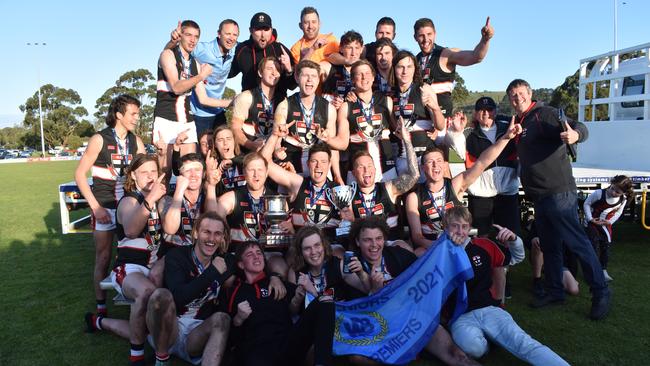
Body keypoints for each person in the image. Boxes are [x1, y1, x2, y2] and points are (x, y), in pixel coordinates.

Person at [507, 78, 610, 320]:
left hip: (559, 193)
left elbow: (579, 127)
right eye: (512, 95)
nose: (517, 97)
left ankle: (601, 292)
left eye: (521, 93)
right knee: (550, 246)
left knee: (577, 243)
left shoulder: (544, 114)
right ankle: (555, 291)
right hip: (540, 196)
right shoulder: (520, 122)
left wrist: (575, 135)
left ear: (530, 94)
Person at [345, 216, 479, 366]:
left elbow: (427, 269)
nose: (374, 245)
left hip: (413, 320)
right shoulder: (352, 266)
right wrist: (374, 289)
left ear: (384, 239)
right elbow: (359, 313)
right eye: (367, 240)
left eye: (378, 238)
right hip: (380, 328)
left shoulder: (398, 254)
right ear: (357, 241)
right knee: (358, 359)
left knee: (457, 356)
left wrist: (450, 243)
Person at [444, 206, 569, 365]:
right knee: (474, 349)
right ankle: (490, 340)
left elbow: (517, 257)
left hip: (489, 309)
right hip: (460, 316)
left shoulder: (483, 245)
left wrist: (514, 240)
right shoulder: (438, 252)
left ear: (470, 227)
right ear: (445, 227)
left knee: (523, 343)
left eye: (464, 226)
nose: (460, 231)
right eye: (454, 226)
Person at [405, 117, 520, 255]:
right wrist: (441, 247)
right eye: (430, 162)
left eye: (439, 161)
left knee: (489, 258)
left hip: (457, 244)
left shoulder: (455, 184)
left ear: (445, 165)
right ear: (423, 168)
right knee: (418, 253)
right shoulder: (414, 197)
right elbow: (417, 237)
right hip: (432, 248)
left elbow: (482, 162)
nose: (435, 165)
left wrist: (506, 138)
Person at [75, 94, 145, 317]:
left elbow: (145, 172)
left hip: (128, 207)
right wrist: (95, 207)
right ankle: (101, 306)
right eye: (133, 114)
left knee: (131, 254)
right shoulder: (99, 139)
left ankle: (133, 299)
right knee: (103, 257)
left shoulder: (136, 141)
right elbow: (79, 174)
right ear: (118, 115)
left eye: (138, 113)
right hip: (104, 206)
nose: (137, 118)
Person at [218, 241, 335, 366]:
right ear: (241, 264)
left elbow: (311, 314)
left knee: (325, 301)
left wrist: (301, 295)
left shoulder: (278, 283)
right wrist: (238, 319)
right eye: (249, 254)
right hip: (257, 351)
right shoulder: (234, 292)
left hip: (288, 346)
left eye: (259, 253)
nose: (256, 256)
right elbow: (229, 340)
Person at [101, 154, 167, 366]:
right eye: (144, 172)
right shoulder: (129, 200)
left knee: (150, 327)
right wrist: (150, 200)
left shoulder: (161, 199)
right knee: (146, 293)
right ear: (133, 176)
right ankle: (136, 357)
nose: (150, 177)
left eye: (154, 172)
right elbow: (130, 229)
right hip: (130, 269)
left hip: (156, 267)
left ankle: (98, 322)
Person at [145, 212, 232, 365]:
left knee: (222, 319)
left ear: (222, 237)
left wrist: (274, 277)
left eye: (217, 234)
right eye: (207, 232)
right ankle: (161, 358)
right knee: (160, 296)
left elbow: (252, 260)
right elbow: (179, 296)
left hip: (197, 334)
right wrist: (211, 273)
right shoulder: (177, 256)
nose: (212, 239)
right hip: (171, 329)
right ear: (196, 233)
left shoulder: (225, 261)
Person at [155, 20, 231, 166]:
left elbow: (204, 99)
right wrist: (201, 76)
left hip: (186, 121)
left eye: (196, 36)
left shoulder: (195, 63)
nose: (192, 40)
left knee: (191, 167)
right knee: (166, 172)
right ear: (180, 35)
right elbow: (176, 87)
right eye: (188, 35)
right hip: (166, 118)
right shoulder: (167, 55)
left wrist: (231, 102)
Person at [445, 97, 521, 236]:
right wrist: (456, 131)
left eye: (489, 110)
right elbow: (457, 148)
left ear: (495, 111)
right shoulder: (468, 134)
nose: (485, 113)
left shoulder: (508, 129)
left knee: (509, 234)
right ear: (475, 113)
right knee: (481, 235)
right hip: (480, 194)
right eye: (481, 110)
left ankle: (509, 258)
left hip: (507, 192)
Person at [342, 118, 419, 241]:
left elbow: (414, 175)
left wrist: (406, 140)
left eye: (369, 166)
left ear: (375, 169)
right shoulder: (347, 196)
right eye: (361, 167)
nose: (366, 170)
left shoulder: (388, 188)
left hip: (391, 245)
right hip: (365, 248)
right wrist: (348, 222)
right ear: (353, 173)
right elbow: (344, 235)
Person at [260, 131, 341, 243]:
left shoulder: (339, 190)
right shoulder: (298, 183)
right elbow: (263, 163)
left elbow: (348, 223)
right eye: (314, 161)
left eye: (323, 161)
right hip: (300, 248)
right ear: (308, 164)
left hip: (330, 247)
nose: (319, 166)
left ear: (329, 164)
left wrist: (349, 218)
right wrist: (274, 135)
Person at [330, 59, 398, 183]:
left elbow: (398, 131)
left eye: (367, 73)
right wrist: (326, 139)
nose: (363, 77)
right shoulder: (346, 106)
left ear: (373, 77)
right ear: (352, 79)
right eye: (359, 74)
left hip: (386, 168)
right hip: (358, 171)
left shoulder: (386, 101)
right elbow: (342, 141)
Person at [166, 19, 240, 133]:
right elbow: (169, 54)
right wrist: (173, 41)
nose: (231, 38)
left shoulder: (235, 49)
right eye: (228, 34)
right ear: (219, 34)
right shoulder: (202, 49)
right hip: (198, 113)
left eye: (235, 35)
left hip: (219, 112)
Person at [413, 17, 494, 117]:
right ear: (415, 37)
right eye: (421, 35)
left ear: (435, 34)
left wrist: (485, 40)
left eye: (429, 34)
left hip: (442, 122)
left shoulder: (446, 54)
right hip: (421, 120)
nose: (426, 39)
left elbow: (475, 57)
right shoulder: (413, 61)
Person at [273, 60, 337, 177]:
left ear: (318, 80)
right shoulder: (284, 105)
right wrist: (277, 151)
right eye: (305, 75)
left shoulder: (329, 108)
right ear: (297, 77)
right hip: (290, 166)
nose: (309, 80)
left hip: (319, 168)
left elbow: (332, 146)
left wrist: (336, 175)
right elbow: (276, 139)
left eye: (313, 76)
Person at [389, 50, 446, 174]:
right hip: (402, 158)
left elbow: (440, 126)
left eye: (409, 67)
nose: (405, 71)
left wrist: (435, 108)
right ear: (394, 68)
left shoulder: (424, 89)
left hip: (423, 157)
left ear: (415, 69)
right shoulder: (390, 95)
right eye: (400, 67)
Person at [160, 153, 219, 251]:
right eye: (187, 170)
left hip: (202, 253)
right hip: (174, 253)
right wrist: (179, 191)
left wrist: (211, 185)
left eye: (197, 170)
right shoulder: (167, 199)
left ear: (204, 173)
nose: (193, 175)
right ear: (180, 174)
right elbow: (170, 229)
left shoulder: (209, 196)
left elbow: (213, 222)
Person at [229, 12, 297, 95]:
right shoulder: (242, 49)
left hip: (277, 104)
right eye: (258, 29)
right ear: (251, 31)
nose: (263, 34)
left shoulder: (280, 50)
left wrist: (289, 70)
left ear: (271, 30)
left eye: (266, 29)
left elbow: (292, 86)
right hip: (250, 102)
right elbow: (228, 73)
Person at [583, 175, 633, 281]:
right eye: (612, 188)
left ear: (623, 193)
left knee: (605, 246)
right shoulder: (599, 193)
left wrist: (609, 222)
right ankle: (592, 271)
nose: (613, 192)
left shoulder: (622, 199)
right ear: (611, 184)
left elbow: (619, 212)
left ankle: (603, 270)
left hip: (605, 225)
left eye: (617, 192)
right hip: (592, 223)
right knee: (594, 246)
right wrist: (590, 218)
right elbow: (586, 203)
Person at [230, 57, 284, 153]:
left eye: (277, 69)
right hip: (248, 155)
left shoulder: (283, 101)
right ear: (260, 73)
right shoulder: (246, 97)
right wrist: (251, 145)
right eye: (269, 68)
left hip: (271, 155)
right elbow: (235, 128)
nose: (274, 73)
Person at [320, 31, 364, 109]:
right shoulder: (328, 67)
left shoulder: (366, 71)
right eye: (349, 47)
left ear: (361, 49)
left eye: (357, 48)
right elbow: (306, 73)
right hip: (329, 117)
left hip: (353, 118)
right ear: (341, 48)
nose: (353, 53)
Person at [212, 125, 246, 195]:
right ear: (215, 144)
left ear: (234, 141)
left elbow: (251, 162)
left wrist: (232, 161)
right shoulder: (214, 166)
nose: (225, 143)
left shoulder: (246, 159)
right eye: (220, 140)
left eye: (228, 139)